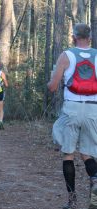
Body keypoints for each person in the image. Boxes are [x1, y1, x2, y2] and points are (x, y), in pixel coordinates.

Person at [47, 23, 97, 209]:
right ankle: (95, 180)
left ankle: (72, 201)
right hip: (93, 108)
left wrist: (51, 83)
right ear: (89, 37)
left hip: (72, 108)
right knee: (87, 153)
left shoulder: (66, 55)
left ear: (74, 37)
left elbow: (52, 87)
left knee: (68, 154)